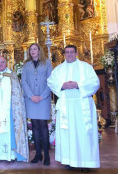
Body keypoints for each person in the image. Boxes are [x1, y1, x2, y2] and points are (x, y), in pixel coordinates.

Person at [47, 45, 100, 173]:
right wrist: (62, 85)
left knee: (83, 134)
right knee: (68, 134)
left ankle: (86, 162)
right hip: (67, 106)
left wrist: (78, 84)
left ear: (76, 53)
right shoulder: (58, 69)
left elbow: (95, 82)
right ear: (64, 54)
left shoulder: (86, 67)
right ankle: (69, 161)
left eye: (72, 52)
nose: (69, 54)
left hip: (82, 106)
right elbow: (51, 81)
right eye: (67, 52)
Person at [21, 43, 53, 166]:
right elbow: (23, 81)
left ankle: (47, 155)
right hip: (31, 99)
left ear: (39, 51)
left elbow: (51, 80)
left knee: (43, 126)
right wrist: (31, 96)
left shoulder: (47, 63)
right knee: (34, 125)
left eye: (35, 49)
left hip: (43, 98)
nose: (32, 51)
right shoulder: (26, 64)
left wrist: (42, 96)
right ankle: (38, 154)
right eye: (31, 50)